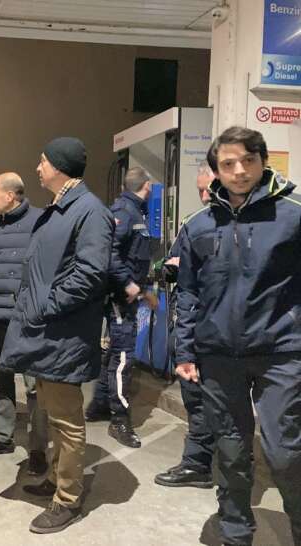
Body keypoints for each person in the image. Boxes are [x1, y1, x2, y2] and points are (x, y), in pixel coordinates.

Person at [175, 126, 301, 546]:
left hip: (281, 352)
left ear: (263, 160)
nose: (239, 171)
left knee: (285, 451)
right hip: (218, 356)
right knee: (230, 449)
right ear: (216, 170)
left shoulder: (293, 214)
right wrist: (185, 349)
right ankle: (234, 531)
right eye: (228, 164)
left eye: (248, 160)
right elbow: (188, 291)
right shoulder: (198, 226)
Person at [0, 137, 113, 534]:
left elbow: (91, 272)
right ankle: (56, 478)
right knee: (52, 412)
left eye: (43, 161)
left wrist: (47, 304)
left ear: (61, 166)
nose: (37, 168)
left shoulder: (89, 212)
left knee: (67, 420)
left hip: (64, 333)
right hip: (50, 333)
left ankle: (67, 499)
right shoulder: (62, 208)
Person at [0, 172, 49, 474]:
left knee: (34, 387)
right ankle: (3, 436)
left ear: (11, 196)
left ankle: (38, 449)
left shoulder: (40, 221)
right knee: (0, 381)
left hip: (26, 319)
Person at [154, 162, 216, 489]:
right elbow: (169, 267)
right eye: (200, 190)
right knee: (195, 398)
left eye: (210, 188)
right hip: (194, 327)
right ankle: (198, 463)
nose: (205, 196)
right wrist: (170, 268)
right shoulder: (194, 224)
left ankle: (204, 464)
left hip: (222, 334)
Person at [85, 166, 153, 449]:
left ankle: (100, 405)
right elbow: (110, 254)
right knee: (124, 357)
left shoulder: (133, 211)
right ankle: (120, 419)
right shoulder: (125, 212)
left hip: (127, 296)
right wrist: (129, 285)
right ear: (146, 187)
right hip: (119, 297)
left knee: (114, 351)